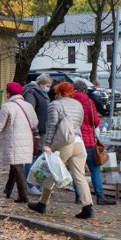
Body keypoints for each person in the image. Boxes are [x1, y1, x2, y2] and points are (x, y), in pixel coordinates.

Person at [28, 82, 95, 220]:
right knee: (80, 176)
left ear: (58, 92)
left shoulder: (55, 105)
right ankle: (88, 207)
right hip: (78, 142)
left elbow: (51, 126)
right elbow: (79, 123)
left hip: (64, 144)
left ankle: (42, 204)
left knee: (52, 172)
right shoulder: (78, 105)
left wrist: (48, 145)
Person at [0, 82, 39, 203]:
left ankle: (23, 195)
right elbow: (35, 122)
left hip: (14, 140)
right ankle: (8, 189)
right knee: (15, 164)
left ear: (9, 93)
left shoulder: (7, 106)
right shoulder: (28, 105)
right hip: (27, 139)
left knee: (17, 165)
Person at [73, 79, 116, 206]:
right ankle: (99, 195)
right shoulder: (89, 101)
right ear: (84, 89)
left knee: (77, 170)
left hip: (75, 139)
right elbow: (95, 122)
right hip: (88, 140)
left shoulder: (70, 101)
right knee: (95, 169)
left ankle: (78, 195)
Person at [22, 73, 51, 192]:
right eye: (47, 85)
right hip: (36, 131)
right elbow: (30, 112)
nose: (48, 88)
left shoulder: (41, 93)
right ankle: (30, 184)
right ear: (41, 84)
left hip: (43, 130)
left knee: (39, 159)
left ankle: (37, 183)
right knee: (33, 158)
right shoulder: (31, 93)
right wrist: (36, 131)